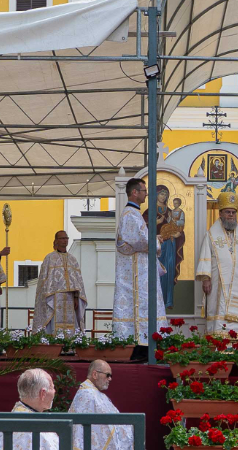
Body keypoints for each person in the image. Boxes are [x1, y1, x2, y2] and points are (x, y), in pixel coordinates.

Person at [194, 189, 238, 339]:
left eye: (233, 212)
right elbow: (205, 256)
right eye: (227, 212)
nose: (231, 215)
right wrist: (206, 278)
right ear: (220, 214)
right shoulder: (211, 234)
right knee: (219, 311)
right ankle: (218, 348)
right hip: (218, 284)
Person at [113, 178, 160, 350]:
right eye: (144, 190)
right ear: (135, 192)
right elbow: (141, 241)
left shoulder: (134, 214)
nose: (146, 193)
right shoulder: (130, 215)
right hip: (135, 274)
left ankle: (143, 343)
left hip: (140, 269)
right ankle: (139, 346)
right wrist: (157, 242)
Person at [30, 231, 87, 336]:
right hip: (55, 298)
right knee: (55, 322)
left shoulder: (72, 259)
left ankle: (69, 347)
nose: (65, 240)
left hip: (70, 299)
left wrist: (75, 297)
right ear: (56, 240)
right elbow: (43, 281)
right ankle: (54, 345)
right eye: (62, 238)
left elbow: (77, 281)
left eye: (66, 238)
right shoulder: (50, 258)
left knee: (70, 324)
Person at [68, 359, 126, 450]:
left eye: (110, 376)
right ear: (95, 374)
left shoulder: (94, 393)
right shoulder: (87, 394)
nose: (110, 379)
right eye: (107, 375)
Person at [7, 368, 57, 450]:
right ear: (43, 394)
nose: (54, 391)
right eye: (52, 387)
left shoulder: (15, 415)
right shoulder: (37, 429)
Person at [155, 186, 184, 309]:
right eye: (161, 194)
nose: (163, 197)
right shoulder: (149, 211)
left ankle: (168, 301)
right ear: (156, 195)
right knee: (157, 272)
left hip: (170, 243)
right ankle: (156, 301)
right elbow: (143, 229)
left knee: (169, 270)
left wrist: (179, 233)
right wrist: (155, 223)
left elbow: (178, 228)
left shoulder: (171, 212)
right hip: (156, 245)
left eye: (165, 195)